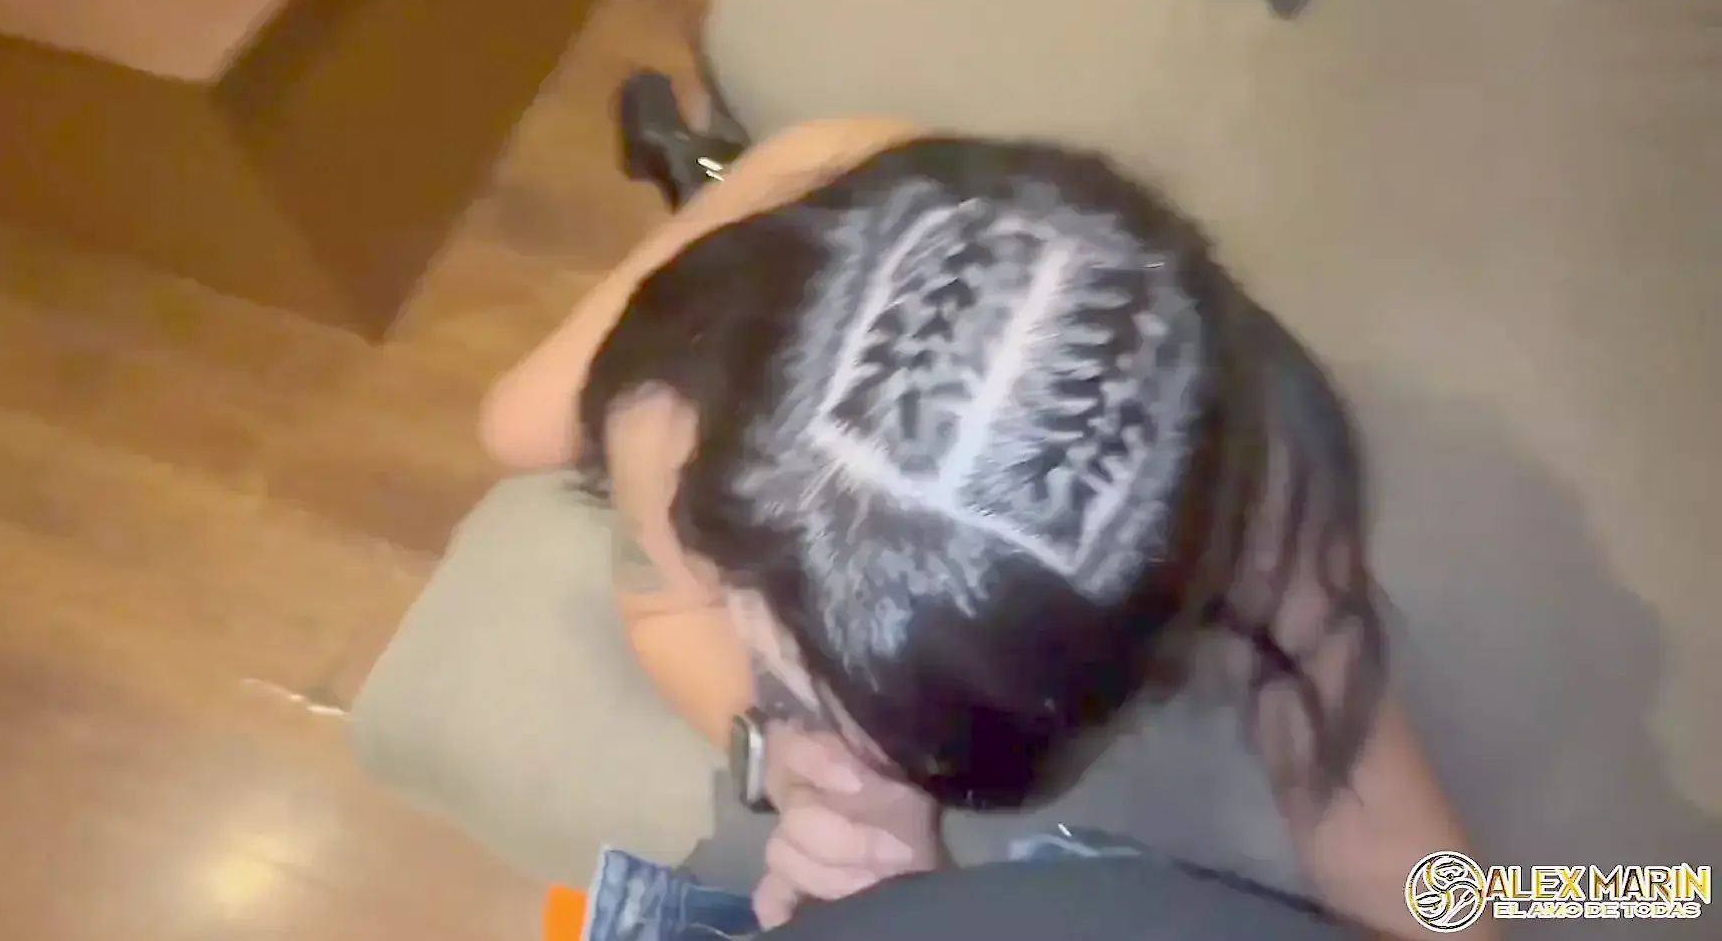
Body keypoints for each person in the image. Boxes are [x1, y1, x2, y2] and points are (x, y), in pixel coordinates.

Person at [479, 119, 1483, 940]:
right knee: (519, 423)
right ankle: (745, 164)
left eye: (804, 681)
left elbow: (1413, 868)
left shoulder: (1266, 504)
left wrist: (911, 897)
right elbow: (662, 606)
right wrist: (770, 746)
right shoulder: (668, 418)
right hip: (826, 193)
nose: (740, 633)